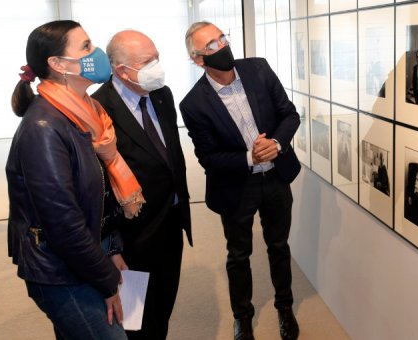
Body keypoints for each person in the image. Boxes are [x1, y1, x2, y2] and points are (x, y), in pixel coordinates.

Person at [7, 20, 146, 339]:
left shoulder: (89, 112)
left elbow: (98, 196)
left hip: (90, 256)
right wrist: (107, 280)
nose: (95, 53)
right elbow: (63, 224)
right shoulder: (44, 128)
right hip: (62, 272)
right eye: (85, 47)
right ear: (57, 64)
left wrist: (111, 248)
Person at [180, 21, 301, 340]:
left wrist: (275, 144)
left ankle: (284, 307)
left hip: (276, 178)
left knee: (279, 245)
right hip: (236, 187)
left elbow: (290, 114)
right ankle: (242, 317)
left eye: (222, 38)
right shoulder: (193, 104)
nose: (221, 46)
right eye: (211, 46)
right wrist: (250, 158)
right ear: (197, 59)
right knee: (238, 254)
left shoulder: (258, 69)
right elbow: (207, 157)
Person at [92, 30, 193, 340]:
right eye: (149, 62)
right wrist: (110, 245)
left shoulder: (162, 94)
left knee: (162, 309)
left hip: (171, 224)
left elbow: (170, 158)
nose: (157, 67)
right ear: (122, 70)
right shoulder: (97, 109)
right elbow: (98, 186)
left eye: (157, 58)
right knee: (134, 320)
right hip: (132, 237)